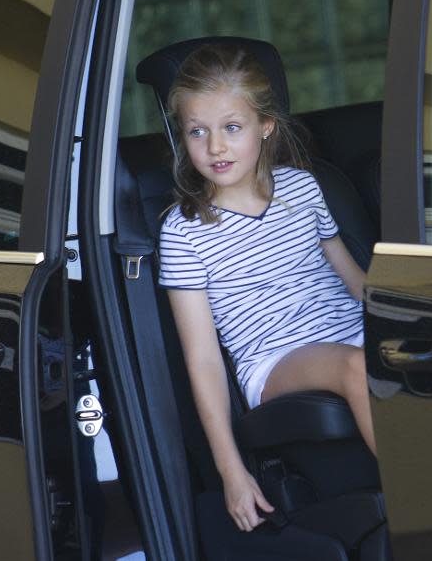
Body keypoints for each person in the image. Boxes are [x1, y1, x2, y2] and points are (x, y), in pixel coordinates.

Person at [157, 43, 376, 533]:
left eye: (232, 128)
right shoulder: (183, 231)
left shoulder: (301, 187)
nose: (215, 147)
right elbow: (205, 360)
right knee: (358, 367)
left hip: (349, 330)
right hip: (274, 359)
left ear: (266, 126)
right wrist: (231, 470)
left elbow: (352, 278)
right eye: (198, 132)